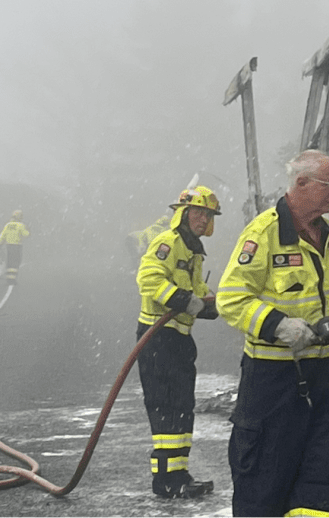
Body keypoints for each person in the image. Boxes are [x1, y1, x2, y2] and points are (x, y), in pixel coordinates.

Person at [217, 149, 329, 518]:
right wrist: (279, 325)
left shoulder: (325, 236)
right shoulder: (264, 233)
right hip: (273, 382)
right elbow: (231, 299)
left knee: (315, 483)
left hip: (320, 378)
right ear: (301, 184)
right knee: (263, 483)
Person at [135, 186, 222, 499]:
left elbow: (196, 287)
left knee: (183, 408)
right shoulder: (168, 243)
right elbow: (148, 278)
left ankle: (180, 475)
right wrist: (184, 300)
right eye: (198, 212)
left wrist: (214, 302)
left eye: (208, 215)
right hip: (157, 339)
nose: (203, 219)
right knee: (165, 407)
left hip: (179, 339)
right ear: (183, 214)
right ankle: (165, 481)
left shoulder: (193, 249)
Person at [0, 210, 30, 285]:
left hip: (8, 246)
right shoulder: (20, 225)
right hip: (17, 246)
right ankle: (12, 279)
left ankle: (8, 278)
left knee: (9, 261)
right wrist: (27, 229)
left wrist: (0, 243)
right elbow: (26, 234)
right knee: (16, 262)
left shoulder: (8, 225)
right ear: (19, 217)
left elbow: (2, 235)